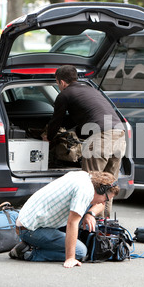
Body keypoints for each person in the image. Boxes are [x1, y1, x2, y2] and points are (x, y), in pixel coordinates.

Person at [43, 65, 126, 218]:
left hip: (101, 137)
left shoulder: (65, 94)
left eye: (57, 83)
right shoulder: (91, 90)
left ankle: (90, 224)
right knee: (108, 184)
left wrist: (49, 137)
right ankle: (105, 223)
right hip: (120, 134)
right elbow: (86, 115)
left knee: (91, 184)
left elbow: (57, 120)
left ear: (61, 82)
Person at [9, 171, 119, 268]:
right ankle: (29, 252)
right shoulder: (85, 191)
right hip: (29, 229)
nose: (104, 203)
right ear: (101, 189)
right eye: (106, 199)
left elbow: (100, 205)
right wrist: (70, 257)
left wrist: (90, 214)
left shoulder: (85, 177)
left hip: (31, 221)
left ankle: (38, 244)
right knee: (80, 252)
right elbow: (72, 222)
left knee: (87, 207)